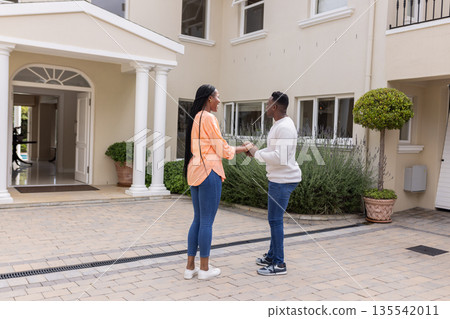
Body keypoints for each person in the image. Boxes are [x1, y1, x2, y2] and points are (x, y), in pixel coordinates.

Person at [183, 84, 252, 280]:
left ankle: (190, 268)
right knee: (206, 222)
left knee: (197, 219)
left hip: (194, 171)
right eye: (217, 97)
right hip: (209, 172)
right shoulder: (209, 118)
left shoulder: (196, 117)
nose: (220, 101)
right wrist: (243, 148)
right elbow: (222, 149)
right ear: (209, 98)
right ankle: (204, 269)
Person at [246, 91, 301, 276]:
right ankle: (271, 256)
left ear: (275, 107)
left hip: (282, 181)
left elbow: (281, 158)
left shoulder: (284, 127)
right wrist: (257, 152)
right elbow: (274, 151)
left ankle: (279, 264)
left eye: (268, 104)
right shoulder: (279, 124)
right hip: (278, 179)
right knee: (274, 221)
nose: (266, 107)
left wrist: (256, 153)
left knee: (275, 221)